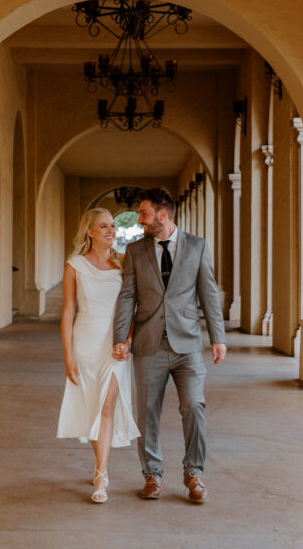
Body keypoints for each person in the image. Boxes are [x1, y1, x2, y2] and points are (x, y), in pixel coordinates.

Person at [113, 188, 226, 503]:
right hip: (149, 344)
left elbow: (209, 293)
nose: (140, 219)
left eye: (144, 213)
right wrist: (120, 338)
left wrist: (218, 337)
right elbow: (127, 297)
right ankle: (152, 475)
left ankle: (194, 474)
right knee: (147, 412)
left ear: (163, 214)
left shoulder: (197, 247)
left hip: (187, 344)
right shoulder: (136, 251)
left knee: (194, 406)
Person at [57, 208, 139, 503]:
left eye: (112, 226)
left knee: (106, 405)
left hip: (115, 345)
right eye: (103, 227)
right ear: (89, 232)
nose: (111, 231)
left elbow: (130, 306)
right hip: (85, 343)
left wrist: (127, 339)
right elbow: (68, 313)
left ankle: (101, 474)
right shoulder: (74, 265)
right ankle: (99, 466)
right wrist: (68, 357)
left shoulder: (123, 264)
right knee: (94, 406)